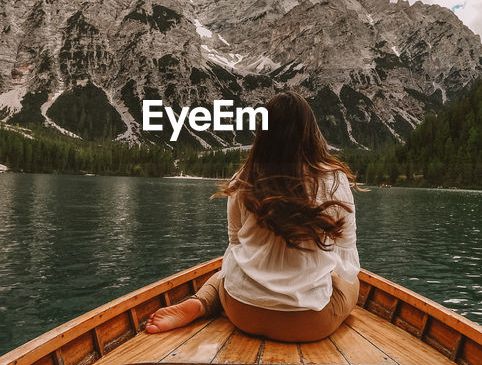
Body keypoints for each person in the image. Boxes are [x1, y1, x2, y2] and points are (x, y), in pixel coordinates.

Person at [144, 90, 360, 342]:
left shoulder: (243, 178)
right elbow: (347, 258)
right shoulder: (333, 180)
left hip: (242, 312)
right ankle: (211, 301)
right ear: (310, 133)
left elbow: (235, 245)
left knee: (232, 267)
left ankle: (201, 302)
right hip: (307, 324)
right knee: (352, 283)